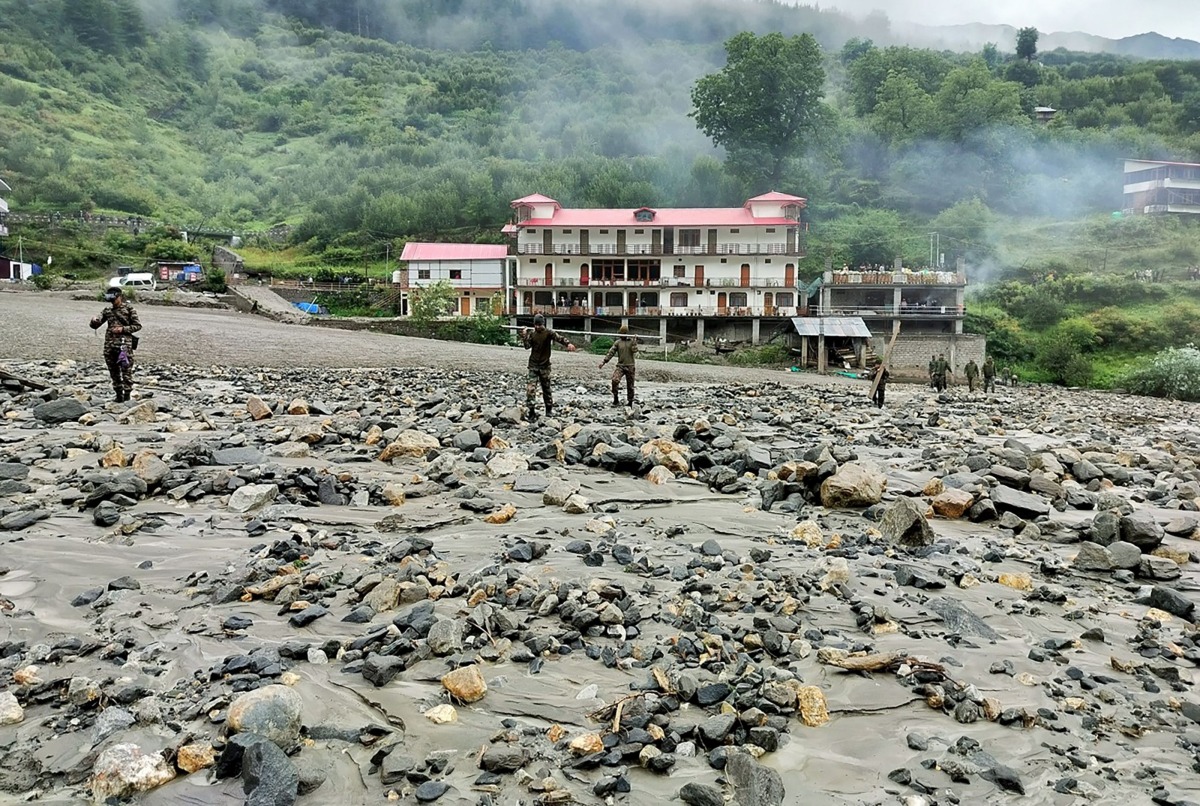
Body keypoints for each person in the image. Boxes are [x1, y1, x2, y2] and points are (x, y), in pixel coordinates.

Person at [89, 286, 141, 402]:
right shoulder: (107, 311)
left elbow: (137, 326)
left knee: (126, 371)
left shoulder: (129, 309)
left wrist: (122, 329)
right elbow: (95, 325)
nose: (113, 302)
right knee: (114, 372)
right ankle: (118, 395)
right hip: (110, 346)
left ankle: (127, 396)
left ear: (120, 297)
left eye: (114, 299)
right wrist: (94, 321)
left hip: (124, 346)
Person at [520, 313, 576, 420]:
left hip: (545, 366)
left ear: (543, 324)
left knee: (546, 388)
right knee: (530, 390)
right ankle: (531, 412)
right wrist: (524, 336)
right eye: (536, 325)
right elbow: (527, 346)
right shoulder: (532, 334)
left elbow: (560, 338)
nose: (537, 327)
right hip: (533, 365)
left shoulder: (548, 333)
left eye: (539, 325)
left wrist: (568, 344)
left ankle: (549, 410)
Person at [599, 325, 638, 407]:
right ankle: (616, 398)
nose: (620, 335)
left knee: (630, 385)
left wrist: (634, 342)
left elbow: (635, 351)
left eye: (622, 333)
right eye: (620, 333)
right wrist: (604, 362)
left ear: (626, 333)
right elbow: (611, 352)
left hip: (630, 366)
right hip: (620, 366)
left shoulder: (631, 341)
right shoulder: (618, 342)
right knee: (615, 380)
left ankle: (630, 402)